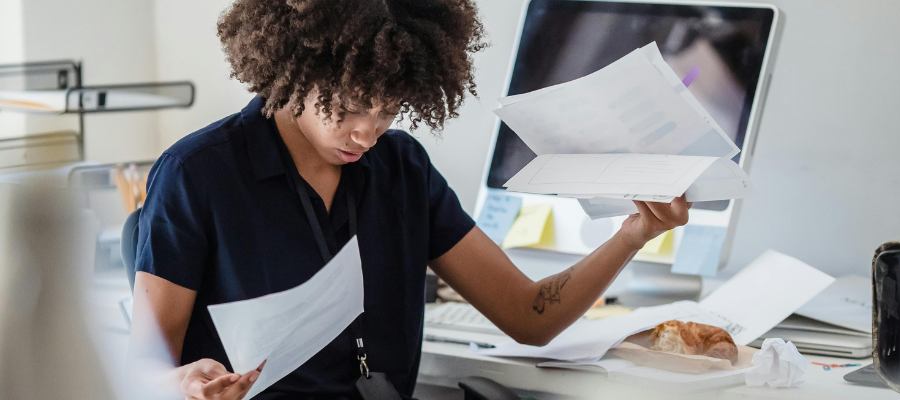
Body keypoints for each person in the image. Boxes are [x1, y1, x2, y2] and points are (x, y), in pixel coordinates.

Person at [127, 0, 692, 399]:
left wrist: (633, 236)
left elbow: (529, 317)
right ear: (296, 67)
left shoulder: (401, 169)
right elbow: (142, 372)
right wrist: (181, 385)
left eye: (388, 111)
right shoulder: (197, 174)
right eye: (347, 107)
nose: (366, 134)